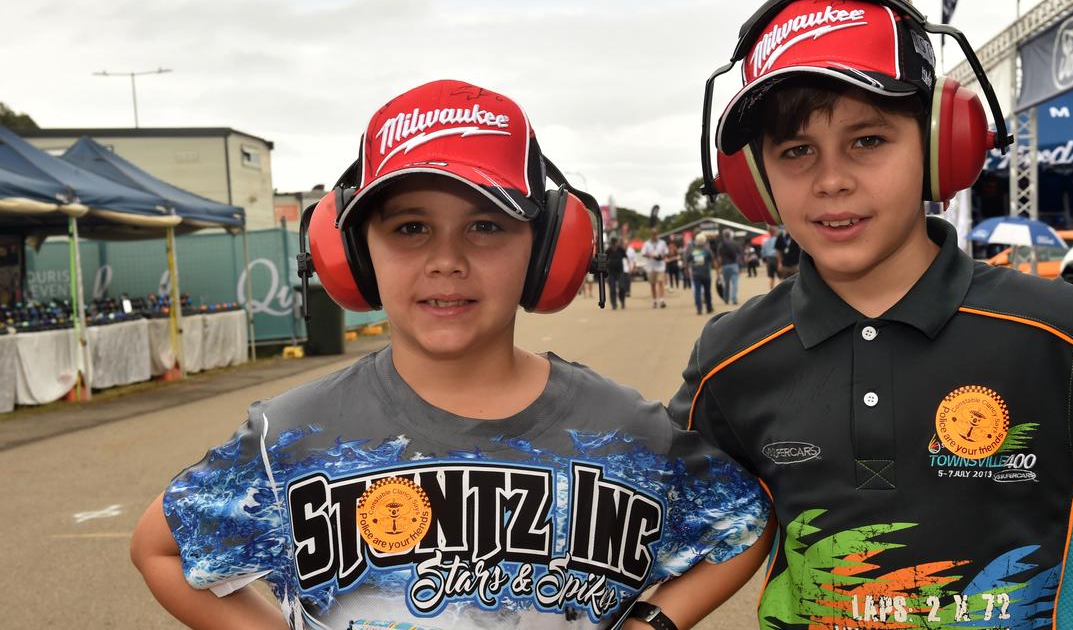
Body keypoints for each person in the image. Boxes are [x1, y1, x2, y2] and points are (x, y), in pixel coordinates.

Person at [671, 0, 1073, 630]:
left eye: (868, 140)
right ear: (755, 180)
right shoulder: (732, 358)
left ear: (940, 146)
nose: (831, 179)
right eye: (795, 151)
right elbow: (671, 514)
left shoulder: (1052, 330)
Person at [132, 79, 772, 630]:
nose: (447, 260)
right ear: (353, 255)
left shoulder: (625, 431)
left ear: (548, 248)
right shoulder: (293, 436)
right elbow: (160, 549)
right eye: (410, 228)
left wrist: (654, 622)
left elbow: (743, 522)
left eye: (486, 225)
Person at [686, 232, 716, 316]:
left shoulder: (693, 250)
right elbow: (713, 260)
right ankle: (709, 308)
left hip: (696, 274)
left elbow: (687, 261)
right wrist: (717, 271)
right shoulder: (707, 250)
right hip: (706, 274)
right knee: (707, 292)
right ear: (704, 241)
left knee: (697, 292)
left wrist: (686, 271)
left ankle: (699, 309)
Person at [640, 228, 668, 309]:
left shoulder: (662, 243)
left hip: (660, 266)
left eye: (655, 234)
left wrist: (661, 257)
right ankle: (654, 300)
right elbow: (643, 253)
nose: (654, 235)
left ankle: (662, 300)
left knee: (660, 281)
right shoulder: (646, 243)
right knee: (652, 284)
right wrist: (650, 256)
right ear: (651, 235)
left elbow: (666, 252)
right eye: (653, 234)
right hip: (650, 266)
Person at [716, 229, 742, 305]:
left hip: (725, 266)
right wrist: (738, 263)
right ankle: (734, 299)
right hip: (734, 265)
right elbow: (740, 254)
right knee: (735, 283)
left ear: (724, 236)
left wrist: (719, 267)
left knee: (726, 283)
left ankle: (726, 299)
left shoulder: (721, 245)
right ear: (730, 235)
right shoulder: (735, 243)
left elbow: (719, 258)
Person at [604, 235, 628, 309]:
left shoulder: (621, 250)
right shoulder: (608, 250)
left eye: (615, 242)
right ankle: (614, 304)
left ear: (617, 243)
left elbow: (626, 258)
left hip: (620, 271)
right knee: (612, 289)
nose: (614, 244)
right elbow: (604, 261)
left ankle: (622, 300)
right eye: (612, 242)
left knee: (622, 287)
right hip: (611, 272)